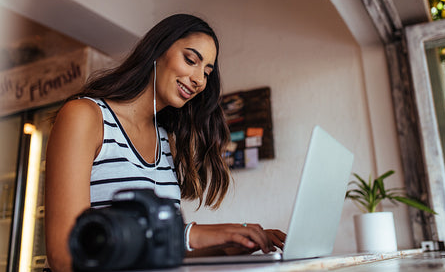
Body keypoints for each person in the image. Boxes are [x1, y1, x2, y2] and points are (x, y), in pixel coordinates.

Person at [45, 14, 286, 272]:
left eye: (206, 72)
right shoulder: (85, 116)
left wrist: (228, 245)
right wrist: (191, 236)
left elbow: (161, 253)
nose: (199, 80)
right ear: (157, 50)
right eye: (191, 60)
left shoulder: (163, 138)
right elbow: (65, 256)